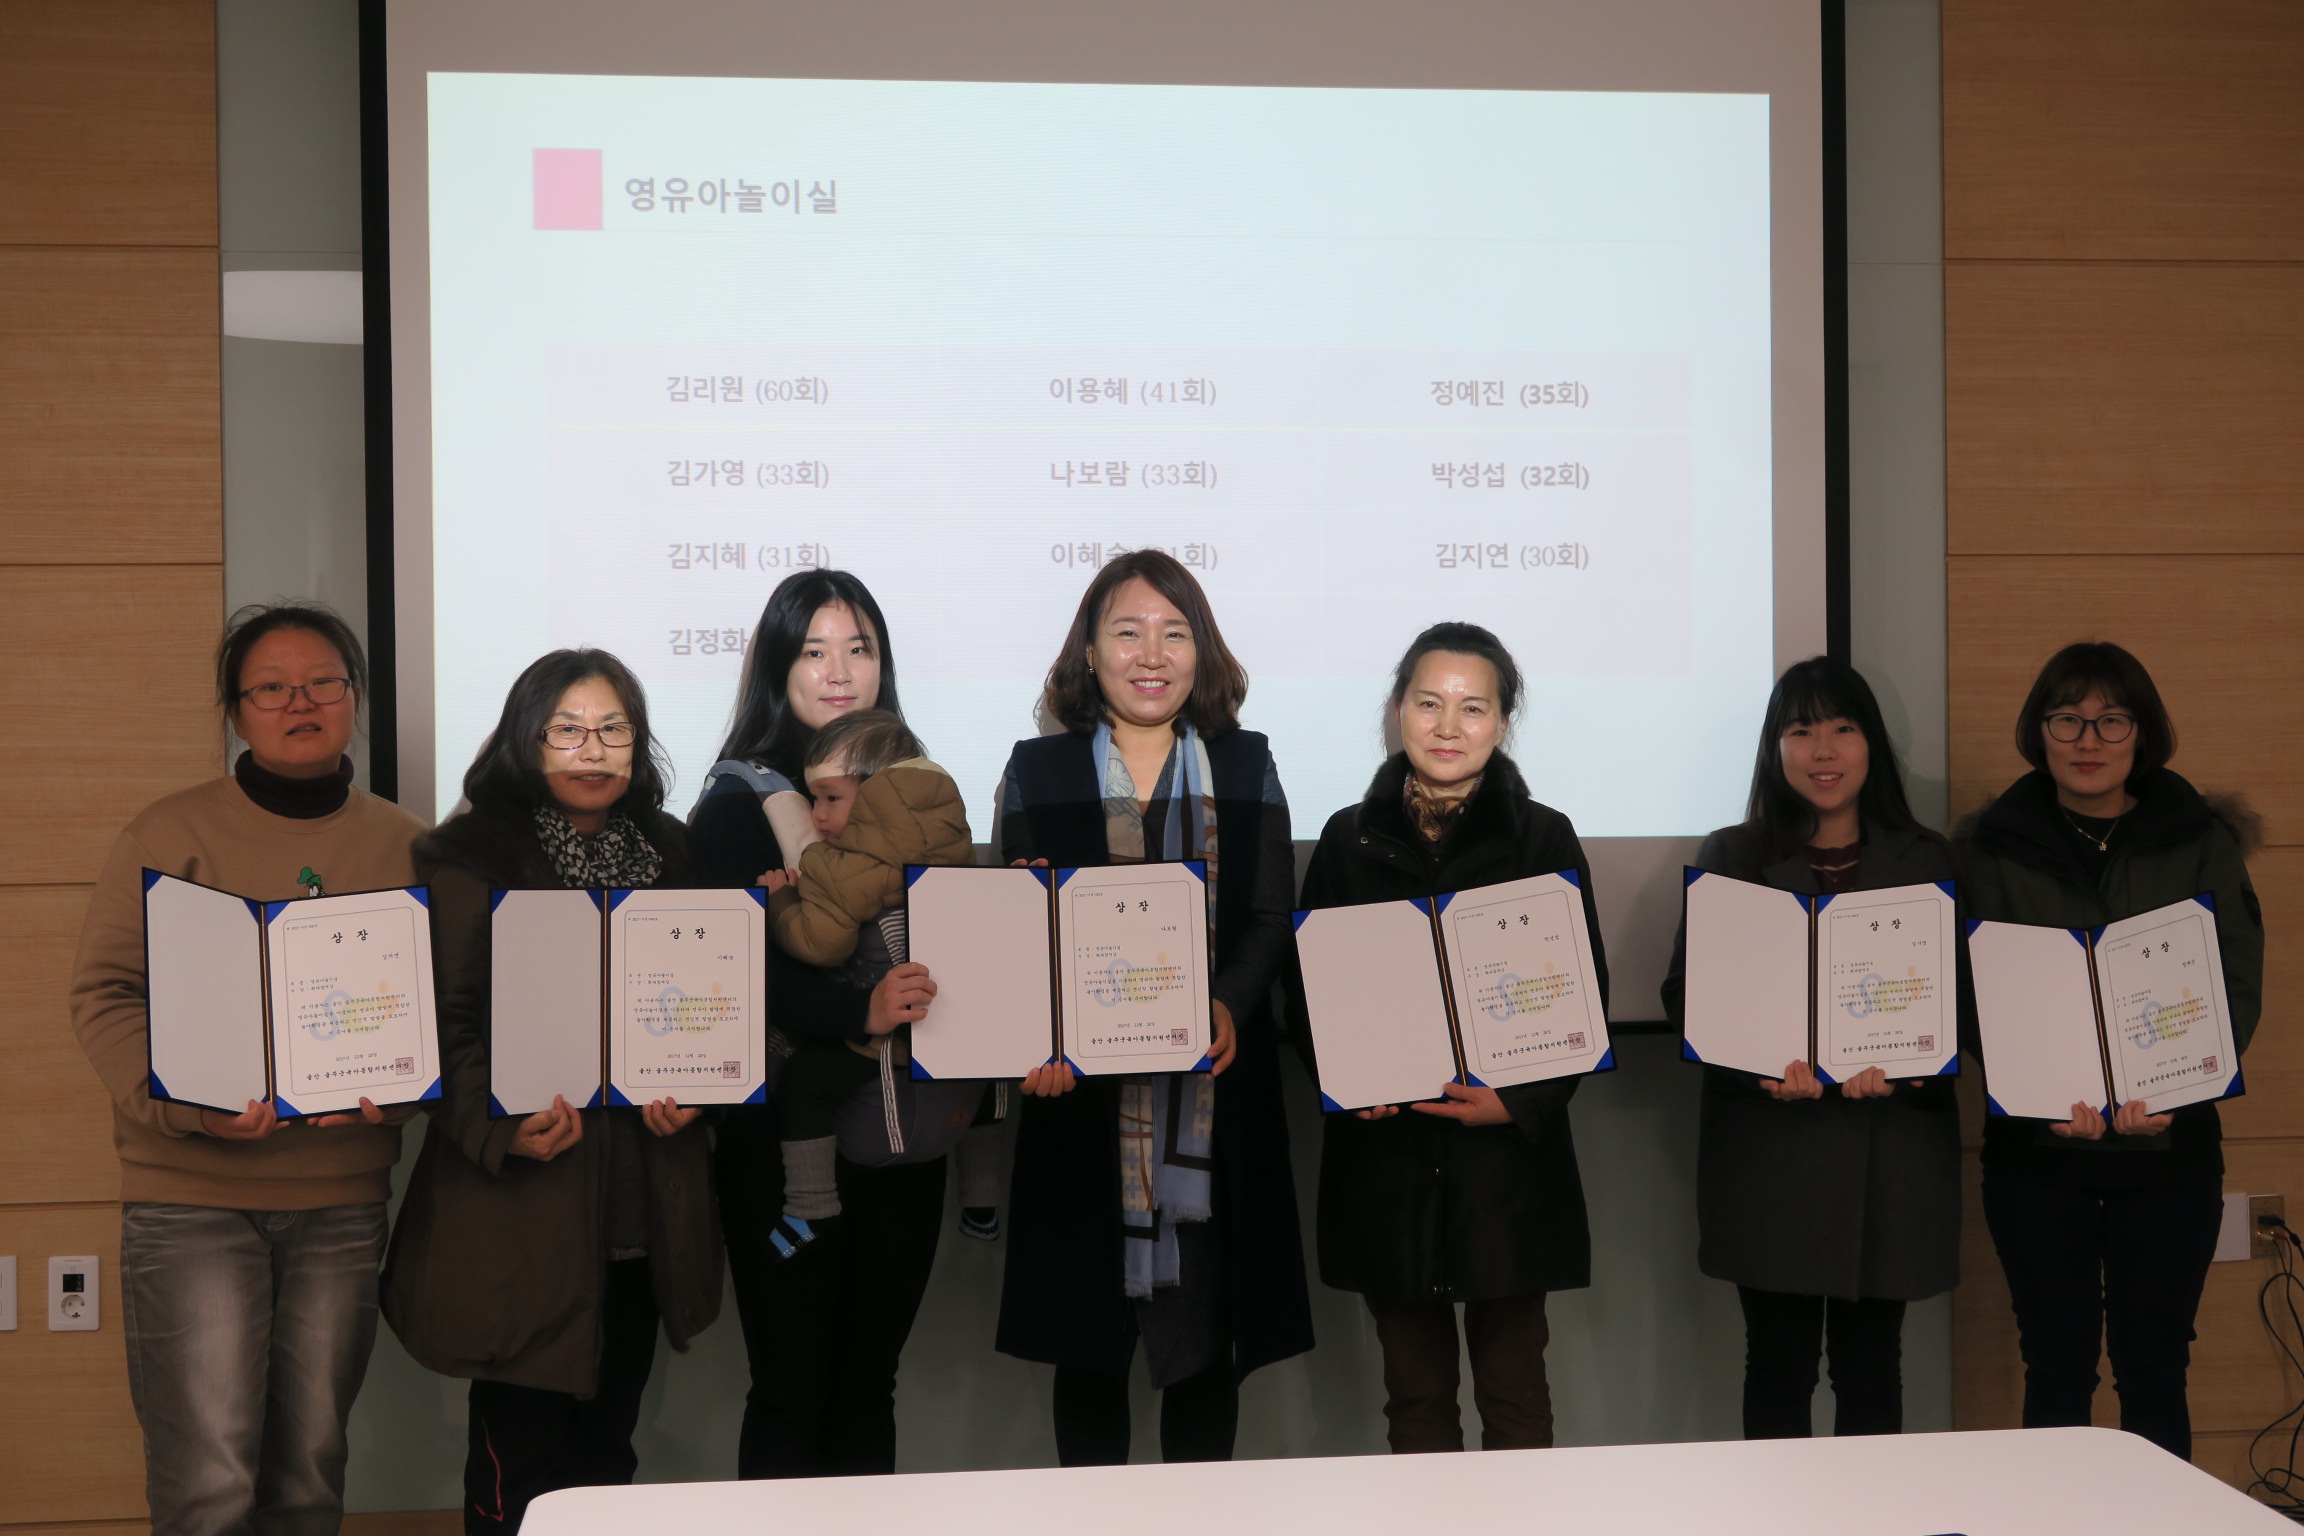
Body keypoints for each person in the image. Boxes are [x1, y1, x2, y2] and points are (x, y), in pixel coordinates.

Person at [70, 601, 424, 1536]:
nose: (299, 703)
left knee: (309, 1476)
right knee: (210, 1485)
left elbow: (440, 1015)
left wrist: (396, 1095)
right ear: (235, 711)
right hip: (191, 1197)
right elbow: (105, 994)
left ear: (355, 699)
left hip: (340, 1200)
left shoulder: (407, 844)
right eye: (271, 688)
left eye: (322, 683)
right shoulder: (167, 835)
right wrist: (191, 1109)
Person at [379, 649, 721, 1534]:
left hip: (642, 1200)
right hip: (525, 1207)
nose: (592, 750)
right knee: (518, 1468)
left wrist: (698, 1089)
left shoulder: (671, 850)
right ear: (526, 740)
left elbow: (705, 1005)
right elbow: (443, 1023)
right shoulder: (468, 856)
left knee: (608, 1458)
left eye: (613, 729)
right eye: (567, 730)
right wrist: (501, 1127)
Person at [995, 549, 1314, 1466]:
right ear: (1089, 652)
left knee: (1205, 1354)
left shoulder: (1247, 764)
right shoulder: (1038, 770)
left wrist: (1228, 1002)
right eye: (1127, 631)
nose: (1151, 654)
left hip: (1213, 1107)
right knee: (1089, 1358)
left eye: (1175, 633)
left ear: (1201, 652)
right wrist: (1038, 1035)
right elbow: (1017, 938)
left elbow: (1270, 915)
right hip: (1080, 1112)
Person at [686, 568, 992, 1477]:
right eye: (814, 651)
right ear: (777, 669)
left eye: (860, 649)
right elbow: (733, 977)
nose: (839, 670)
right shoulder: (739, 804)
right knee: (790, 1387)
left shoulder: (919, 795)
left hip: (904, 1140)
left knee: (869, 1383)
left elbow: (951, 952)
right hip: (784, 1148)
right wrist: (859, 1008)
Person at [1295, 622, 1607, 1453]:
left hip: (1506, 1170)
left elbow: (1584, 999)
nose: (1447, 726)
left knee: (1515, 1397)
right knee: (1416, 1401)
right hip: (1387, 1164)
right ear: (1398, 710)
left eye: (1473, 708)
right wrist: (1349, 1084)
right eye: (1428, 703)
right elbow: (1306, 994)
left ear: (1503, 721)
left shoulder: (1543, 836)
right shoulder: (1346, 839)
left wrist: (1518, 1103)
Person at [1959, 641, 2262, 1459]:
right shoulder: (1992, 846)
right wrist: (2041, 1097)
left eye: (2111, 720)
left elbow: (2234, 981)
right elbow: (1972, 995)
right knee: (2055, 1372)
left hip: (2169, 1154)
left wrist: (2174, 1091)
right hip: (2037, 1159)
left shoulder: (2196, 839)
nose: (2088, 740)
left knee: (2156, 1374)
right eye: (2068, 719)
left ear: (2142, 732)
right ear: (2039, 731)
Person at [1660, 657, 1961, 1440]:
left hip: (1888, 1152)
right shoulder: (1733, 855)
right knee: (1778, 1366)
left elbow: (1958, 1005)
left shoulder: (1926, 858)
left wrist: (1903, 1070)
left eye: (1842, 728)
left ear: (1871, 744)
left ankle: (1874, 1511)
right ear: (1775, 748)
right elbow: (1686, 995)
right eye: (1800, 731)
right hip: (1772, 1153)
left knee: (1872, 1367)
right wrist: (1759, 1063)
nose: (1822, 751)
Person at [761, 709, 971, 1244]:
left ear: (880, 793)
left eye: (831, 797)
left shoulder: (846, 866)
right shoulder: (955, 845)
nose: (817, 815)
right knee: (989, 1078)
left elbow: (820, 943)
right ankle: (983, 1196)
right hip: (957, 1033)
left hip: (889, 1038)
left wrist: (780, 900)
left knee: (803, 1080)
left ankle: (809, 1204)